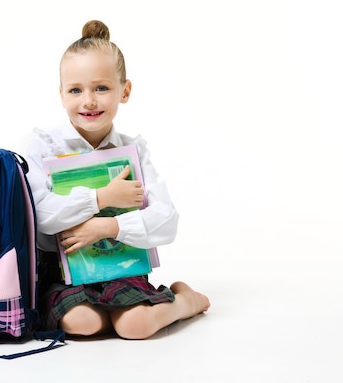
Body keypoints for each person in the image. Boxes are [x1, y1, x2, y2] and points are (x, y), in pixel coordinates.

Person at [25, 20, 210, 339]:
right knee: (82, 323)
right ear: (61, 94)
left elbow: (167, 220)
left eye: (101, 87)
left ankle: (184, 302)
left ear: (124, 91)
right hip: (63, 271)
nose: (89, 101)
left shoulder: (131, 150)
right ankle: (110, 313)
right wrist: (102, 198)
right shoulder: (44, 146)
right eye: (75, 90)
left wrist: (110, 226)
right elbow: (40, 215)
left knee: (135, 327)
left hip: (120, 267)